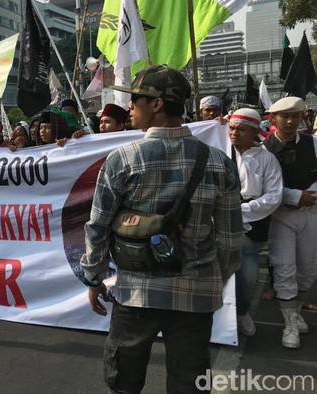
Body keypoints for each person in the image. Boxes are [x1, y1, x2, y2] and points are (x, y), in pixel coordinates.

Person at [80, 64, 243, 393]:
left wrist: (94, 277)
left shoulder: (121, 160)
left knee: (123, 381)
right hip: (195, 293)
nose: (130, 106)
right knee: (189, 382)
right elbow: (230, 239)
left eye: (136, 99)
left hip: (135, 292)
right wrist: (214, 279)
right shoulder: (218, 162)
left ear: (156, 104)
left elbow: (98, 228)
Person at [262, 96, 317, 349]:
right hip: (280, 216)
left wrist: (311, 196)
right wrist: (296, 196)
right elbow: (263, 187)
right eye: (285, 116)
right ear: (273, 119)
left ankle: (295, 312)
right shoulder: (262, 151)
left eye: (296, 116)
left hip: (311, 213)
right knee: (285, 267)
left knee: (308, 268)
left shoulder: (313, 144)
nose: (291, 121)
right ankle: (289, 323)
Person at [226, 108, 283, 337]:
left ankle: (242, 312)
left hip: (252, 225)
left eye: (241, 129)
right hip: (219, 221)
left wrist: (240, 211)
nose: (234, 133)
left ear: (254, 132)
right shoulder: (219, 151)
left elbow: (274, 196)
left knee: (247, 277)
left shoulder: (266, 158)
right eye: (231, 128)